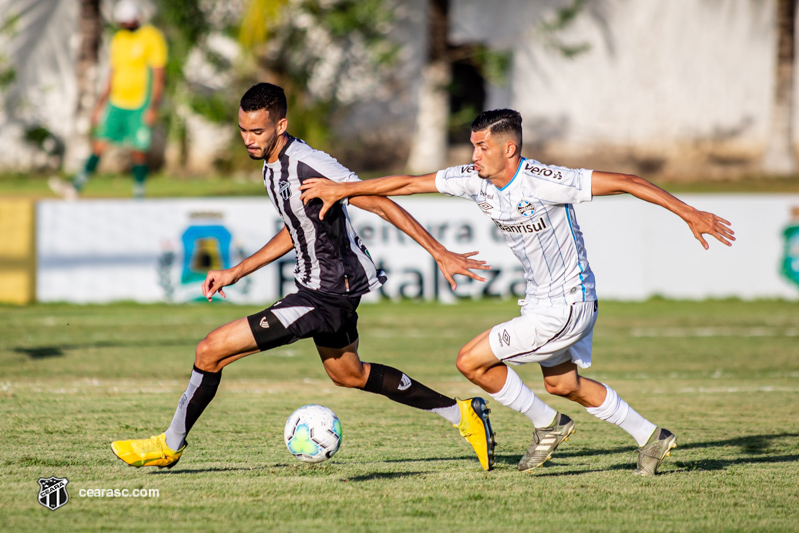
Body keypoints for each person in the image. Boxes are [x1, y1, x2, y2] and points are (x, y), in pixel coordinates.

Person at [299, 109, 736, 475]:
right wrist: (345, 189)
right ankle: (651, 437)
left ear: (509, 148)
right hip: (545, 300)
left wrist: (688, 212)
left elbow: (626, 180)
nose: (474, 156)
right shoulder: (476, 179)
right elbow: (408, 183)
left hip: (567, 303)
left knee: (470, 361)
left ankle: (548, 425)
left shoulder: (545, 180)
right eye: (472, 146)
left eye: (482, 147)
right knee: (564, 384)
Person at [111, 83, 498, 471]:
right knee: (349, 374)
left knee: (209, 350)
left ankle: (169, 444)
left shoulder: (309, 163)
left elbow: (378, 201)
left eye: (257, 131)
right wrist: (237, 270)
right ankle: (462, 414)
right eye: (243, 130)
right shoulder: (271, 165)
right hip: (324, 290)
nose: (249, 139)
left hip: (326, 294)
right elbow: (295, 228)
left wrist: (439, 252)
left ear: (281, 125)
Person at [50, 0, 167, 199]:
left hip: (140, 103)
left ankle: (139, 195)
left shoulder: (151, 37)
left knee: (138, 150)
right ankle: (76, 186)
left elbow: (158, 75)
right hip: (117, 102)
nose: (125, 26)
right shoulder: (119, 39)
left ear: (137, 19)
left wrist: (153, 106)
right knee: (99, 143)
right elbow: (112, 74)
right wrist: (100, 104)